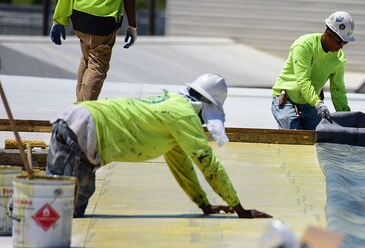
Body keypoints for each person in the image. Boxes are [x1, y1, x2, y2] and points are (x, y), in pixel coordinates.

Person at [46, 73, 272, 219]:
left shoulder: (174, 108)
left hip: (79, 125)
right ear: (207, 107)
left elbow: (182, 167)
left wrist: (204, 205)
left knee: (67, 206)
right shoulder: (183, 115)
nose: (203, 125)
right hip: (80, 128)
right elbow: (207, 163)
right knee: (59, 209)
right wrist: (241, 210)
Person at [271, 11, 354, 130]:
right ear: (328, 33)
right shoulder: (304, 45)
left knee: (320, 133)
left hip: (311, 104)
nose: (341, 46)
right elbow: (303, 80)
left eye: (345, 43)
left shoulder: (339, 58)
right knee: (293, 132)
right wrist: (318, 103)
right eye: (339, 41)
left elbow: (338, 89)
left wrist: (346, 117)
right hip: (287, 99)